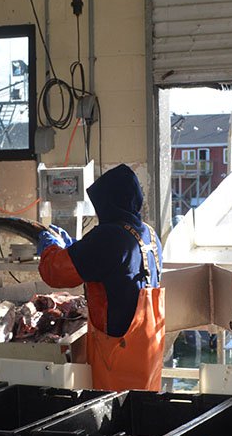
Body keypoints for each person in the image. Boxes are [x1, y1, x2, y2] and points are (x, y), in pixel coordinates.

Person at [37, 164, 165, 391]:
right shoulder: (148, 233)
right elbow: (115, 265)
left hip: (117, 351)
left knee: (113, 415)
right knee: (142, 412)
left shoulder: (110, 236)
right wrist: (76, 248)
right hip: (147, 350)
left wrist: (49, 247)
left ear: (109, 204)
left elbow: (56, 273)